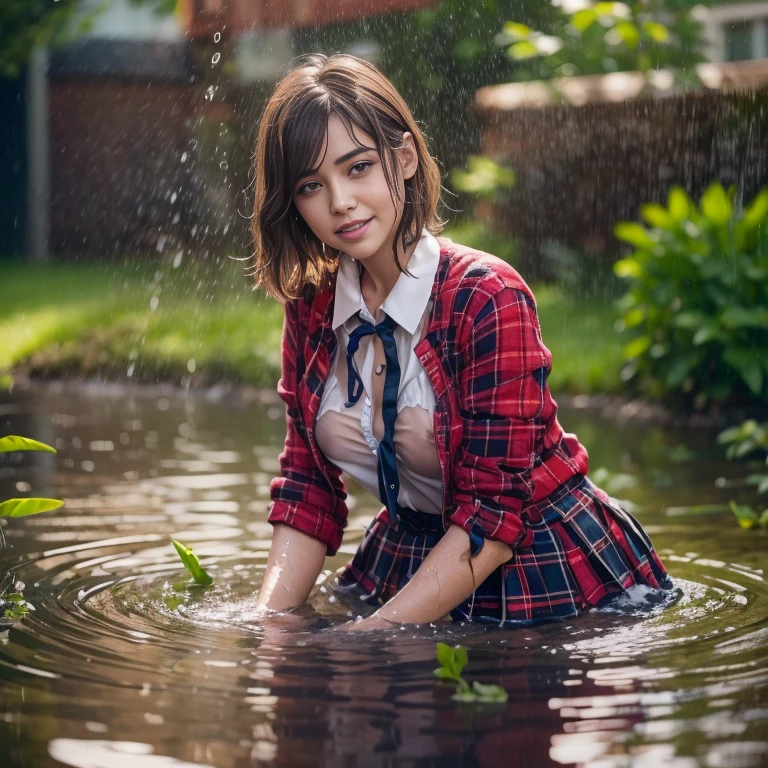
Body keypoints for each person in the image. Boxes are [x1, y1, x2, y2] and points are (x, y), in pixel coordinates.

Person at [251, 53, 672, 630]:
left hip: (542, 561)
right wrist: (265, 630)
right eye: (310, 185)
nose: (340, 202)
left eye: (357, 168)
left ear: (401, 159)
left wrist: (363, 639)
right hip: (411, 552)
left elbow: (493, 518)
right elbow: (307, 489)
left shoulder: (486, 297)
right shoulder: (311, 306)